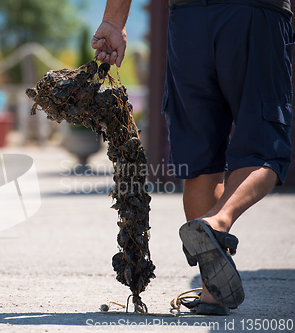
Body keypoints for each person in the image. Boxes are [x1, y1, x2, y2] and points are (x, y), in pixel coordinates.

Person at [92, 0, 293, 315]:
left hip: (189, 21)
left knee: (201, 161)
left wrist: (114, 21)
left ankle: (212, 293)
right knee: (265, 147)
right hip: (255, 14)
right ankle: (217, 222)